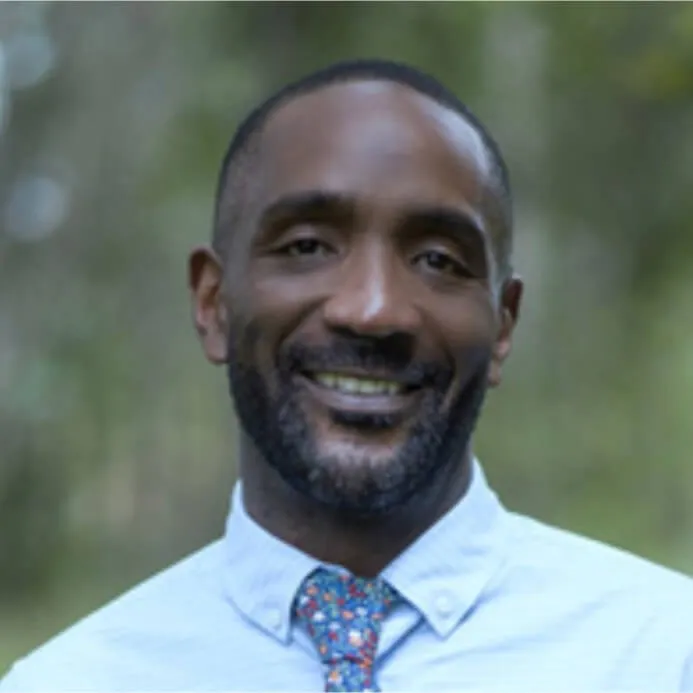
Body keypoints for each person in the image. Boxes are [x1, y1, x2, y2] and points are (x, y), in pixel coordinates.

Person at [2, 58, 692, 693]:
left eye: (437, 260)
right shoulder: (67, 682)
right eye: (306, 246)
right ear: (213, 303)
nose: (372, 309)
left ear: (503, 323)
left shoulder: (663, 656)